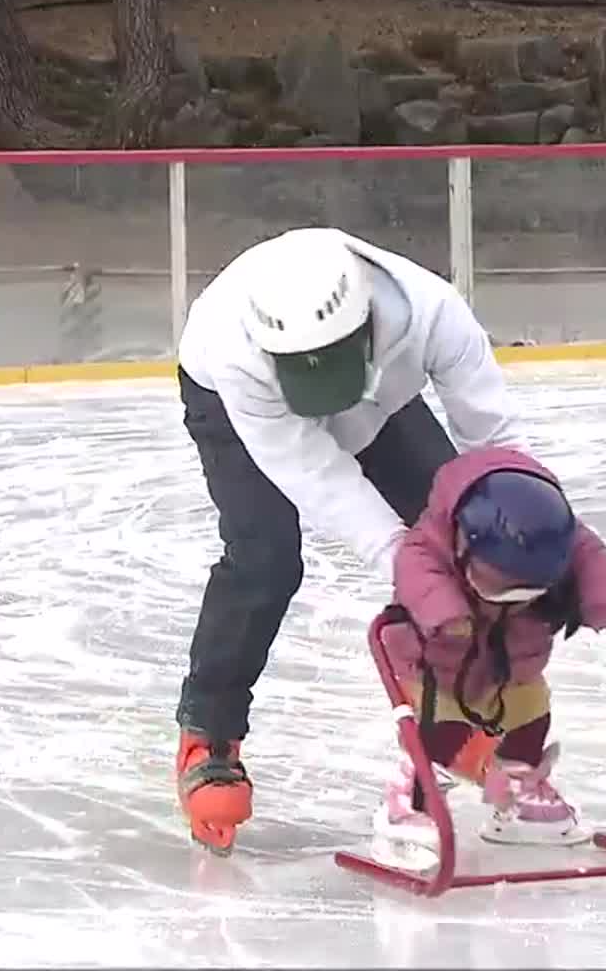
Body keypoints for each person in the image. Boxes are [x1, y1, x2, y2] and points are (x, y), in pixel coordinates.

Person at [173, 226, 525, 853]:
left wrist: (514, 517)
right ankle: (211, 730)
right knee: (266, 557)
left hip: (380, 397)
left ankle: (453, 712)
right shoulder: (236, 356)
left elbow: (490, 436)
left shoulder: (431, 312)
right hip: (235, 403)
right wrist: (403, 560)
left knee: (460, 539)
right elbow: (316, 474)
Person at [371, 447, 606, 870]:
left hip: (515, 660)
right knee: (438, 733)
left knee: (531, 712)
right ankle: (410, 800)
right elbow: (415, 572)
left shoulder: (555, 528)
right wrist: (444, 612)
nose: (513, 594)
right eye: (499, 583)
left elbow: (590, 556)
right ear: (463, 541)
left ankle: (520, 785)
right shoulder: (431, 542)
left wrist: (603, 599)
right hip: (436, 665)